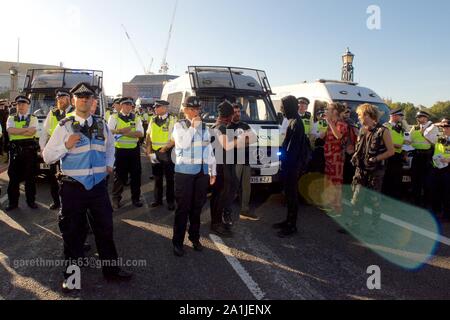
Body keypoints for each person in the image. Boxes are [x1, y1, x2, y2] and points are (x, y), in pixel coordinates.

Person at [43, 82, 132, 292]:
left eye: (88, 97)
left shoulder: (101, 124)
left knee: (105, 230)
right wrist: (66, 145)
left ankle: (111, 271)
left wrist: (110, 165)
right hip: (73, 189)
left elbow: (110, 147)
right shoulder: (64, 125)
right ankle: (72, 278)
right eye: (80, 97)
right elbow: (47, 156)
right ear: (74, 100)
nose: (84, 99)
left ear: (93, 101)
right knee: (73, 234)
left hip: (98, 188)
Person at [171, 96, 217, 257]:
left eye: (197, 109)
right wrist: (193, 127)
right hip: (184, 172)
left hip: (202, 172)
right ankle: (177, 242)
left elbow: (208, 149)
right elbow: (182, 144)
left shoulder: (204, 127)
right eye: (192, 109)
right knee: (182, 208)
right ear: (185, 110)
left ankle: (194, 238)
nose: (195, 112)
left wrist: (213, 170)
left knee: (197, 208)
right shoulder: (179, 125)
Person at [347, 104, 395, 234]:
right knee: (357, 197)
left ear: (367, 115)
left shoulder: (383, 131)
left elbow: (391, 151)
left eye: (359, 115)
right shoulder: (362, 130)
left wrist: (376, 158)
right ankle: (354, 223)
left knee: (374, 200)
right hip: (361, 170)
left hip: (376, 171)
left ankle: (374, 227)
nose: (358, 117)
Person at [272, 96, 308, 237]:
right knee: (288, 194)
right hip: (288, 165)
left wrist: (285, 164)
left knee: (292, 195)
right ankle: (287, 221)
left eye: (283, 106)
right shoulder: (292, 120)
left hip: (292, 166)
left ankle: (292, 226)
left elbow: (292, 149)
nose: (281, 109)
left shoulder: (296, 123)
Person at [210, 101, 242, 237]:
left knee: (216, 196)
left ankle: (215, 221)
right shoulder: (221, 128)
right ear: (228, 116)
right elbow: (226, 145)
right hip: (222, 168)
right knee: (221, 196)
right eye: (232, 114)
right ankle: (216, 224)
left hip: (218, 167)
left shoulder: (216, 126)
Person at [39, 89, 73, 210]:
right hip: (55, 150)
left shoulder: (75, 112)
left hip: (70, 152)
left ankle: (69, 203)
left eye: (62, 98)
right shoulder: (53, 113)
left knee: (69, 179)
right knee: (54, 178)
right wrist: (43, 148)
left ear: (69, 99)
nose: (59, 100)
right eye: (58, 98)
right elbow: (44, 131)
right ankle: (56, 202)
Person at [108, 97, 144, 209]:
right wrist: (120, 131)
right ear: (121, 106)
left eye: (130, 105)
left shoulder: (136, 117)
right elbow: (109, 131)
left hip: (133, 150)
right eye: (126, 105)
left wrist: (123, 133)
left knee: (136, 176)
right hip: (120, 150)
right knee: (119, 176)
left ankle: (136, 199)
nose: (128, 107)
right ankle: (116, 200)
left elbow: (140, 134)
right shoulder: (114, 117)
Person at [5, 96, 39, 211]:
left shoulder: (33, 118)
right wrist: (25, 130)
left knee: (30, 178)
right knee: (13, 179)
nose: (21, 106)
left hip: (29, 152)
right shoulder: (11, 117)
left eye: (23, 104)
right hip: (15, 151)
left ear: (28, 105)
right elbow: (10, 130)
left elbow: (33, 132)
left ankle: (31, 202)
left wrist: (17, 131)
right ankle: (13, 203)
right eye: (19, 104)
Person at [145, 100, 177, 210]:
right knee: (157, 177)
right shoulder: (153, 119)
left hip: (167, 152)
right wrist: (148, 149)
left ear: (164, 108)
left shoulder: (172, 119)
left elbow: (175, 138)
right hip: (155, 152)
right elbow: (148, 135)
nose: (155, 108)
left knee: (169, 179)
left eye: (157, 107)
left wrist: (165, 148)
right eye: (155, 107)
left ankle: (170, 201)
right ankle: (157, 200)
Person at [229, 102, 258, 220]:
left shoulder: (245, 125)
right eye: (235, 112)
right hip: (234, 160)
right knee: (233, 186)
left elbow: (254, 138)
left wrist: (241, 142)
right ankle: (227, 211)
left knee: (246, 186)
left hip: (246, 159)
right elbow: (230, 144)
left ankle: (244, 210)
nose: (237, 114)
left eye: (239, 112)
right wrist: (244, 140)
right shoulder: (228, 126)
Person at [409, 110, 439, 207]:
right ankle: (416, 202)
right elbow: (409, 140)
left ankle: (426, 203)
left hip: (427, 156)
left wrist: (424, 135)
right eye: (417, 117)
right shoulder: (415, 128)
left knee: (427, 181)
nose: (418, 119)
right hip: (416, 155)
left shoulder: (433, 128)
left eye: (420, 117)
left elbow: (435, 143)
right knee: (415, 179)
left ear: (426, 118)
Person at [323, 102, 348, 215]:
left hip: (336, 158)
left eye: (329, 109)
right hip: (329, 157)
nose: (326, 111)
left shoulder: (341, 124)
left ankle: (337, 208)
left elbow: (338, 136)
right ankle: (330, 205)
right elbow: (322, 136)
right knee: (329, 182)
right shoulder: (332, 123)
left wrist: (329, 123)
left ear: (335, 112)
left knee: (336, 182)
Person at [382, 108, 407, 199]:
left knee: (397, 176)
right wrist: (394, 145)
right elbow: (381, 141)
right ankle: (386, 196)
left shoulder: (400, 127)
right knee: (388, 176)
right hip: (389, 155)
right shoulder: (385, 126)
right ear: (393, 116)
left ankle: (394, 196)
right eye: (400, 116)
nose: (401, 118)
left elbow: (402, 140)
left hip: (398, 155)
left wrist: (404, 149)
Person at [430, 119, 450, 223]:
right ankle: (439, 212)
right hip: (437, 167)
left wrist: (449, 160)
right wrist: (435, 124)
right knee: (437, 191)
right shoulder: (440, 137)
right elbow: (427, 134)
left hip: (448, 168)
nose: (444, 129)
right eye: (443, 127)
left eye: (447, 127)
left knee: (447, 193)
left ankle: (447, 215)